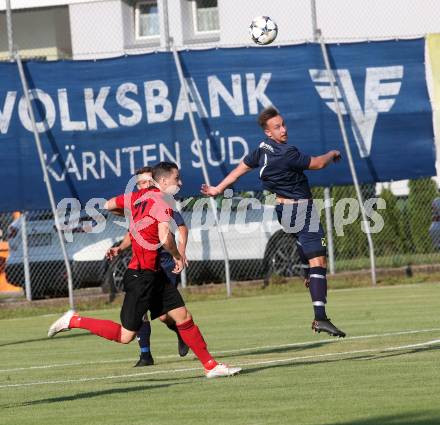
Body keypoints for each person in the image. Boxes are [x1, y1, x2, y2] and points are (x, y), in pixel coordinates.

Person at [48, 162, 241, 379]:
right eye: (177, 178)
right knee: (125, 335)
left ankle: (210, 365)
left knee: (183, 315)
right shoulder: (161, 201)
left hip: (154, 273)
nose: (180, 182)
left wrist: (134, 215)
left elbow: (110, 204)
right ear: (164, 181)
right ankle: (73, 320)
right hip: (140, 276)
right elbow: (164, 237)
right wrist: (178, 255)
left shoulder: (136, 197)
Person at [201, 106, 346, 338]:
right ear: (268, 132)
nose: (283, 129)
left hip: (283, 211)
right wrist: (332, 153)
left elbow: (240, 170)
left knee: (306, 249)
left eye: (283, 124)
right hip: (302, 210)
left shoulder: (261, 149)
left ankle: (309, 274)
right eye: (277, 127)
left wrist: (218, 188)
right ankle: (320, 317)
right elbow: (318, 163)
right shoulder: (287, 153)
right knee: (319, 261)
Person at [106, 166, 190, 367]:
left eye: (146, 182)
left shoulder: (162, 201)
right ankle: (145, 355)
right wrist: (120, 248)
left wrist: (181, 252)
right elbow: (131, 231)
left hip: (164, 263)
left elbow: (182, 227)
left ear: (154, 181)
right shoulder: (138, 204)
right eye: (139, 183)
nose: (143, 186)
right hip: (143, 268)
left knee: (163, 317)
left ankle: (180, 331)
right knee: (141, 310)